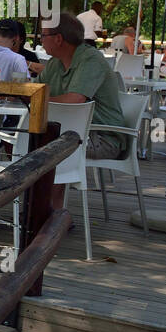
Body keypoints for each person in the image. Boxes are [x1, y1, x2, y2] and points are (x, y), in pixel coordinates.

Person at [39, 13, 128, 209]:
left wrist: (35, 101)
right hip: (74, 133)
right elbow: (37, 91)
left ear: (58, 38)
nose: (40, 40)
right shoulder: (55, 63)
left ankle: (50, 210)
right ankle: (38, 208)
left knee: (48, 146)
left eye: (43, 35)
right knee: (25, 141)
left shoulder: (90, 59)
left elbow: (75, 99)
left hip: (104, 138)